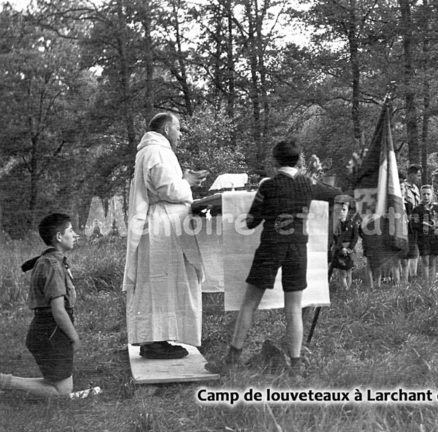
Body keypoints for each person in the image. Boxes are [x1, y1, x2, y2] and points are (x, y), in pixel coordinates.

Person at [207, 140, 342, 375]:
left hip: (271, 246)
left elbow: (251, 222)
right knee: (294, 307)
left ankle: (232, 359)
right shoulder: (308, 184)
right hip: (298, 248)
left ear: (274, 161)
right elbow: (337, 195)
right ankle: (296, 364)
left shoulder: (268, 186)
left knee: (250, 303)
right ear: (299, 160)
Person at [123, 112, 207, 360]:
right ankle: (155, 341)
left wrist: (185, 180)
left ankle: (158, 337)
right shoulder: (157, 151)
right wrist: (188, 181)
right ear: (167, 129)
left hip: (162, 224)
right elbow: (168, 189)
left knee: (165, 284)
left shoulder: (151, 150)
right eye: (178, 129)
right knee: (162, 284)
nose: (180, 134)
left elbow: (166, 185)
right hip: (162, 227)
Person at [1, 214, 81, 397]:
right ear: (59, 237)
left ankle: (5, 381)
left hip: (48, 330)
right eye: (71, 231)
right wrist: (74, 337)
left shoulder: (51, 261)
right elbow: (58, 310)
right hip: (50, 331)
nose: (75, 235)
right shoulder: (52, 264)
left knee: (61, 387)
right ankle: (4, 381)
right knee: (62, 392)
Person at [413, 186, 438, 281]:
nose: (426, 196)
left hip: (435, 237)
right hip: (423, 238)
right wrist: (424, 224)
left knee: (433, 262)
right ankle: (426, 285)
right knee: (425, 261)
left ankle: (433, 284)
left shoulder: (437, 208)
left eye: (428, 194)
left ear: (432, 195)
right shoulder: (417, 209)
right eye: (424, 194)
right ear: (421, 195)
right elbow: (414, 224)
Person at [329, 199, 359, 290]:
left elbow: (355, 237)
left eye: (344, 210)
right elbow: (335, 237)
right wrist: (341, 248)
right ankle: (344, 289)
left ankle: (348, 289)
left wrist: (350, 248)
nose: (341, 212)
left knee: (349, 271)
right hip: (339, 248)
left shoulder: (352, 223)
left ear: (348, 211)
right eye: (339, 210)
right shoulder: (335, 225)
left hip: (350, 248)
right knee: (342, 271)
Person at [401, 164, 422, 281]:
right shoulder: (403, 187)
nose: (419, 177)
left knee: (414, 250)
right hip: (405, 223)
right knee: (405, 252)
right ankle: (404, 279)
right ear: (411, 174)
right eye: (417, 175)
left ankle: (413, 275)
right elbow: (400, 204)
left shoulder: (416, 189)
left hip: (415, 222)